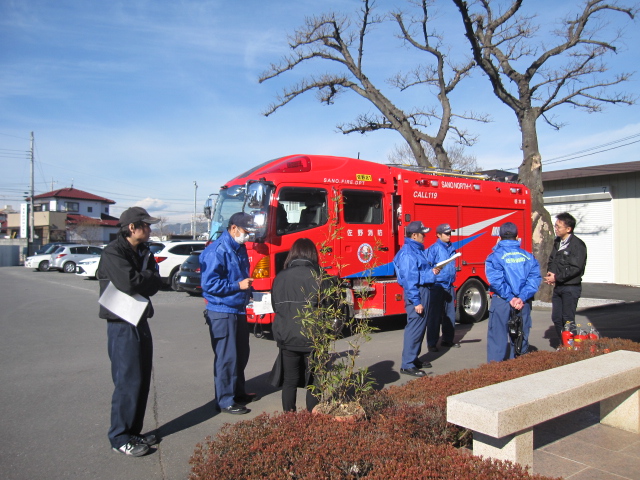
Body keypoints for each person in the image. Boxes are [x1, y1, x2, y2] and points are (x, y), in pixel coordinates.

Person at [97, 206, 163, 457]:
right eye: (145, 225)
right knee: (127, 380)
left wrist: (145, 278)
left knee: (142, 378)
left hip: (140, 319)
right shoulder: (113, 253)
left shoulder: (144, 251)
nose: (149, 229)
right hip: (121, 324)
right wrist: (146, 278)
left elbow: (155, 282)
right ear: (132, 228)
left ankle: (134, 431)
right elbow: (129, 283)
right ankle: (119, 437)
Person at [200, 212, 256, 415]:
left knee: (240, 355)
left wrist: (250, 292)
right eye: (246, 231)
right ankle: (225, 401)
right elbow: (209, 284)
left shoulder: (238, 248)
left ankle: (238, 393)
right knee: (226, 358)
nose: (248, 236)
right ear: (234, 228)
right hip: (222, 311)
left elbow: (242, 278)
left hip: (238, 309)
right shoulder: (217, 250)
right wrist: (238, 285)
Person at [270, 238, 331, 412]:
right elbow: (330, 306)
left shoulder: (281, 276)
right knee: (314, 381)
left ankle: (289, 418)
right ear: (313, 254)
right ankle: (312, 417)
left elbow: (276, 306)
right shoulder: (320, 275)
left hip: (288, 335)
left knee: (289, 380)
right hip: (314, 336)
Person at [485, 222, 541, 362]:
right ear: (517, 237)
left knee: (497, 338)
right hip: (523, 303)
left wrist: (510, 297)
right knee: (520, 337)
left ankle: (495, 372)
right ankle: (518, 369)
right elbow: (534, 279)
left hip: (502, 301)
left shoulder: (494, 256)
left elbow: (496, 281)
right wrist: (521, 298)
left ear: (500, 236)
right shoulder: (528, 256)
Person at [393, 220, 435, 377]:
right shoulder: (408, 254)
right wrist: (416, 301)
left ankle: (414, 358)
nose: (424, 236)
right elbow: (410, 280)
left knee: (420, 327)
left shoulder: (415, 250)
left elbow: (418, 273)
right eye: (422, 234)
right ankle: (407, 364)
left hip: (423, 290)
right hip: (418, 292)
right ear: (414, 235)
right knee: (415, 327)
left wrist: (431, 273)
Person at [544, 212, 588, 343]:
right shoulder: (557, 242)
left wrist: (557, 277)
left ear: (568, 229)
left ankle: (571, 346)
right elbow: (552, 260)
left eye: (558, 226)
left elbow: (576, 268)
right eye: (555, 225)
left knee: (567, 318)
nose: (556, 228)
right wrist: (551, 274)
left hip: (571, 288)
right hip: (558, 287)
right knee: (557, 318)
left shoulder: (577, 245)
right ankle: (563, 343)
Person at [424, 224, 460, 352]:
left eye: (450, 233)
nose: (449, 235)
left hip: (449, 285)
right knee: (434, 316)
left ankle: (447, 340)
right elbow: (427, 267)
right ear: (438, 235)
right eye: (446, 233)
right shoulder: (434, 249)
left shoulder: (452, 248)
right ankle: (432, 343)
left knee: (450, 315)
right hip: (437, 286)